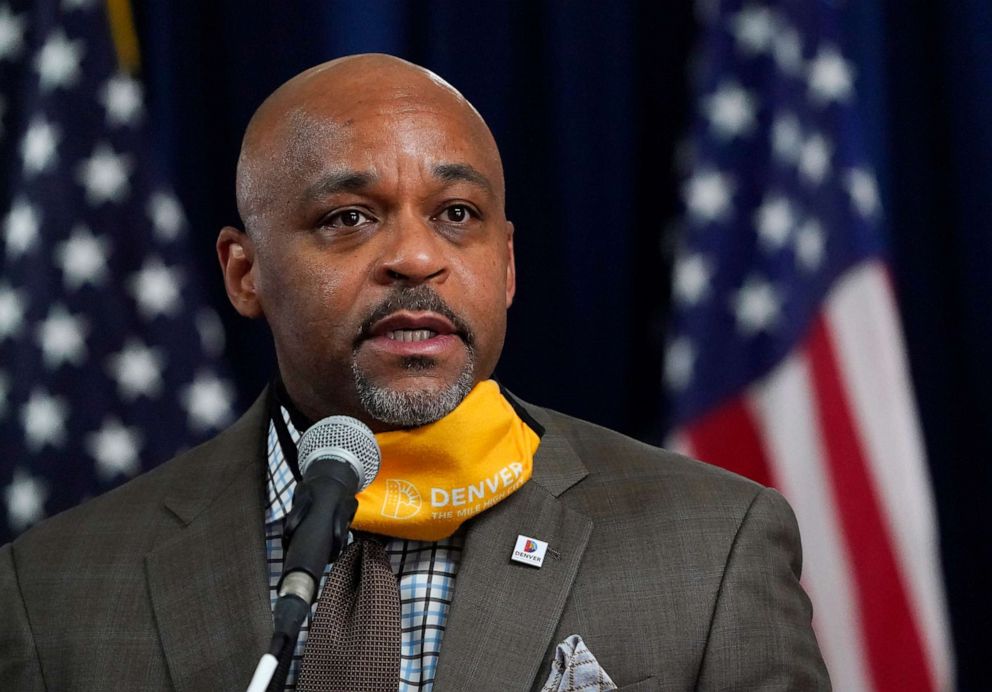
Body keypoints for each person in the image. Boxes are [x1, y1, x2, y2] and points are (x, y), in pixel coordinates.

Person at [0, 54, 829, 691]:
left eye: (456, 215)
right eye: (349, 218)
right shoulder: (52, 592)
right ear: (244, 272)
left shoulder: (712, 547)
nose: (415, 256)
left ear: (505, 265)